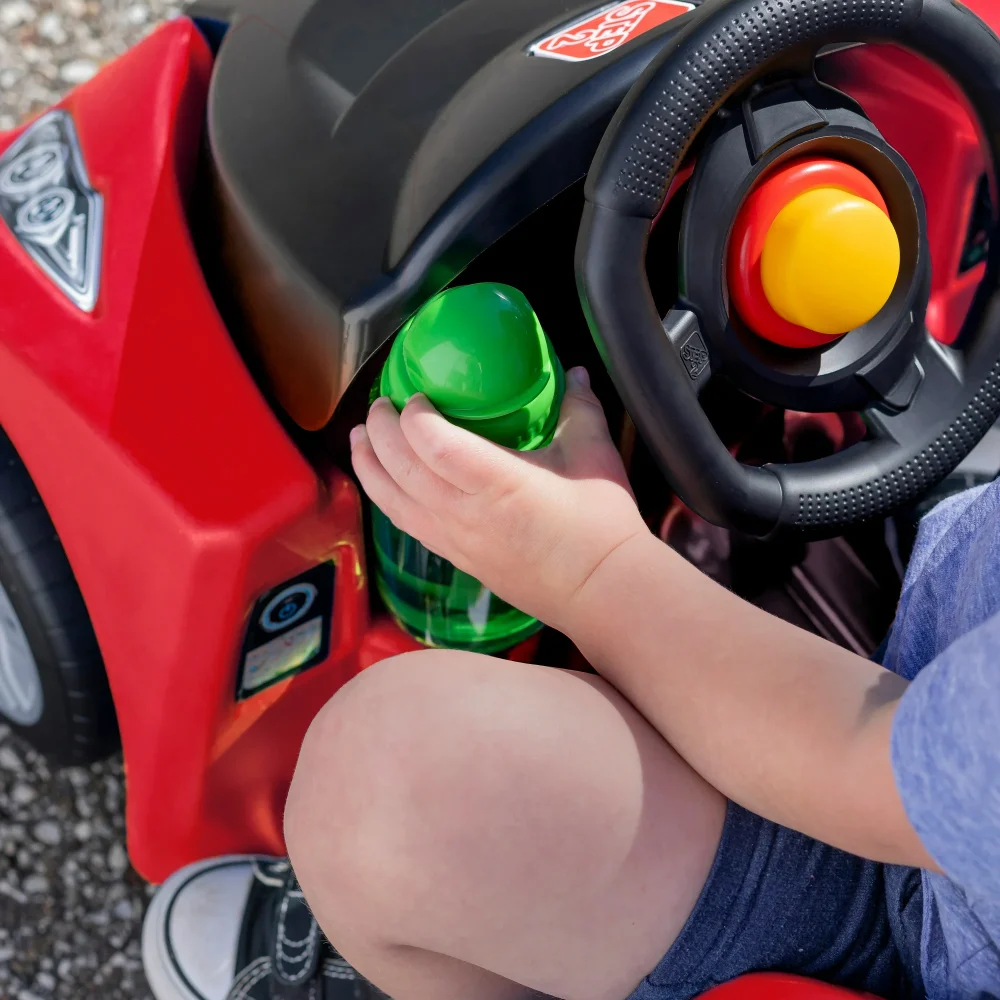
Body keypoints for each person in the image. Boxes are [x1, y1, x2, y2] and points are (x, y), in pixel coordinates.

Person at [142, 370, 1000, 1000]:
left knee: (385, 790)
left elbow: (864, 766)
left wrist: (592, 570)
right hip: (942, 795)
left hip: (913, 911)